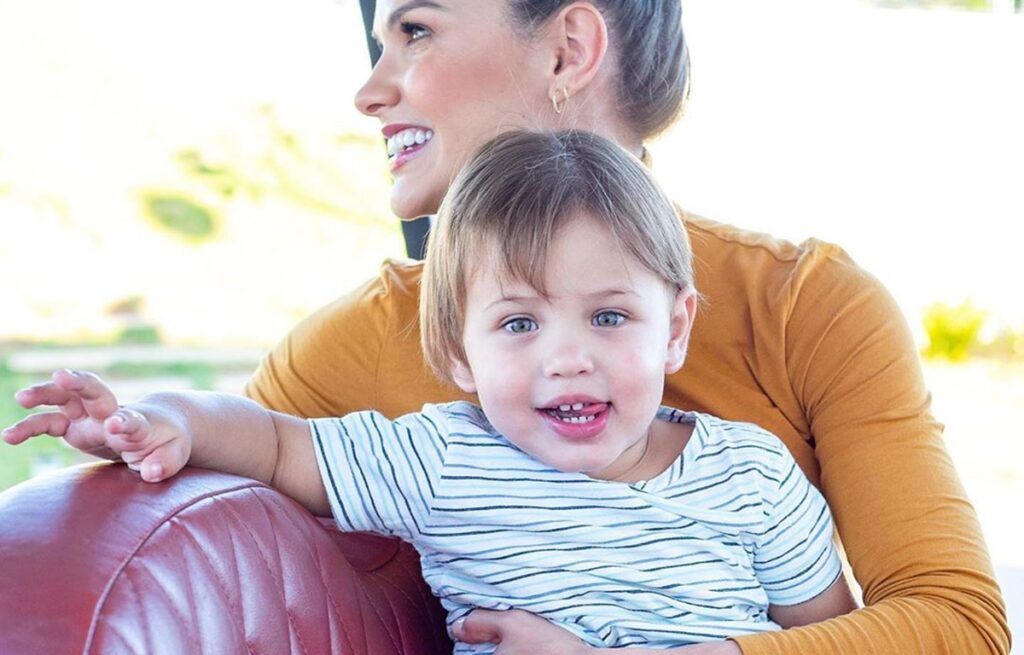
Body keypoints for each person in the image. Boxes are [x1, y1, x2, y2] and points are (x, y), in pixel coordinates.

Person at [241, 1, 1010, 654]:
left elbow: (957, 624)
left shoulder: (805, 306)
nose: (369, 93)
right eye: (516, 324)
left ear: (568, 50)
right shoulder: (340, 355)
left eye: (416, 31)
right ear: (455, 351)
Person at [4, 130, 859, 653]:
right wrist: (161, 419)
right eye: (520, 324)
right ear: (457, 349)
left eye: (608, 317)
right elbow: (271, 441)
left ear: (674, 328)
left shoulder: (752, 475)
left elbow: (836, 638)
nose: (568, 359)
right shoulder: (444, 458)